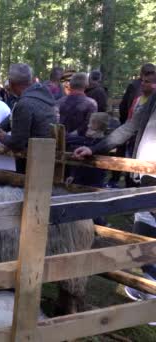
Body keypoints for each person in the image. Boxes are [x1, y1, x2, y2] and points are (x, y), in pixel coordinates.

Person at [72, 88, 156, 304]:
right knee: (144, 233)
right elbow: (131, 126)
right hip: (146, 177)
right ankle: (150, 289)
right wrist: (97, 148)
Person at [0, 64, 56, 172]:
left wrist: (3, 137)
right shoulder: (40, 95)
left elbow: (17, 143)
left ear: (11, 83)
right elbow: (9, 121)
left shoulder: (25, 104)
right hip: (44, 155)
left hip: (31, 161)